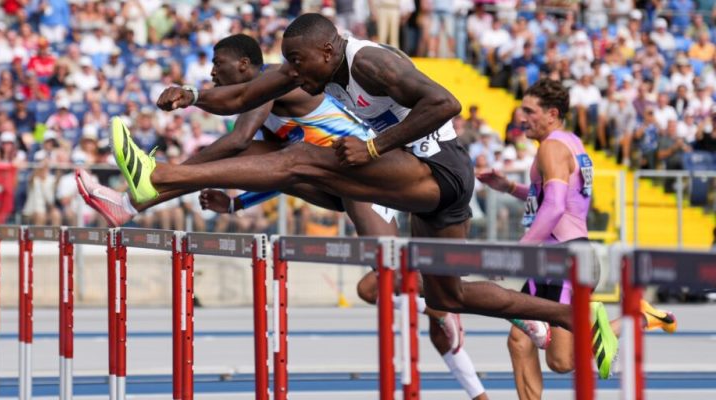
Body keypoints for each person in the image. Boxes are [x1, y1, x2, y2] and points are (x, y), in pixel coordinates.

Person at [116, 13, 616, 376]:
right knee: (449, 294)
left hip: (439, 167)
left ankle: (159, 178)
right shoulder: (304, 66)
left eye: (298, 62)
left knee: (303, 159)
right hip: (417, 176)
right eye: (287, 63)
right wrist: (192, 94)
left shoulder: (370, 63)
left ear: (328, 52)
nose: (293, 73)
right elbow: (244, 96)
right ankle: (576, 314)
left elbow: (446, 102)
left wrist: (377, 143)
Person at [77, 34, 487, 398]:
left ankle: (470, 312)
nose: (212, 73)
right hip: (332, 176)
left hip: (366, 171)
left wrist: (182, 141)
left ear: (244, 66)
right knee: (272, 161)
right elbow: (281, 173)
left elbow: (237, 137)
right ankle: (131, 200)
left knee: (384, 281)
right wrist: (238, 203)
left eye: (218, 65)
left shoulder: (276, 81)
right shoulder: (274, 99)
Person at [477, 79, 677, 398]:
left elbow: (555, 207)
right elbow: (552, 197)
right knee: (519, 340)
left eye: (529, 111)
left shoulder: (552, 148)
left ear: (552, 113)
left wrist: (517, 253)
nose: (521, 118)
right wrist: (509, 187)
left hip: (563, 259)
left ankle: (635, 317)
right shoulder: (570, 142)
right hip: (550, 255)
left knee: (561, 361)